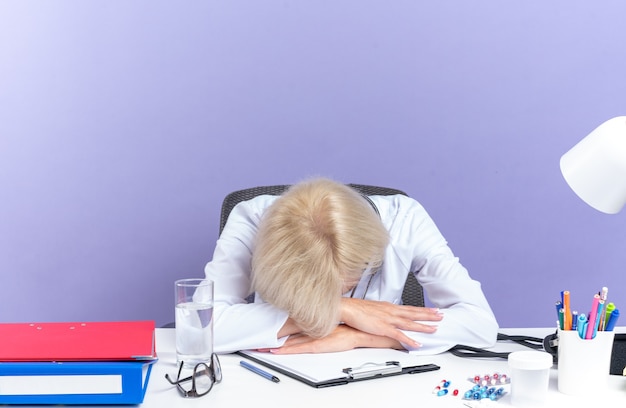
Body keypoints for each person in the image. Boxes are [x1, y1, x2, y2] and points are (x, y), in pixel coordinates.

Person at [204, 177, 498, 355]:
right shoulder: (250, 218)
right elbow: (201, 328)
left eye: (342, 283)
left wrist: (361, 337)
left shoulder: (405, 218)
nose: (331, 292)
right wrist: (342, 309)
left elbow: (481, 325)